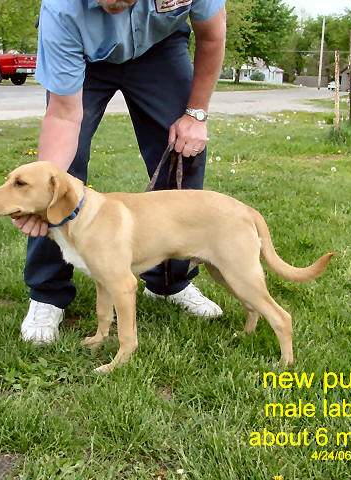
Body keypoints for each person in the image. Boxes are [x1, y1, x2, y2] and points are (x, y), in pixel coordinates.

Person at [13, 0, 227, 344]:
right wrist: (43, 191)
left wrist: (196, 114)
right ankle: (47, 294)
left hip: (159, 48)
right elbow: (63, 115)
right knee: (62, 174)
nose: (114, 4)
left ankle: (169, 283)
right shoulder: (62, 10)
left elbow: (212, 36)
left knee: (184, 152)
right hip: (86, 55)